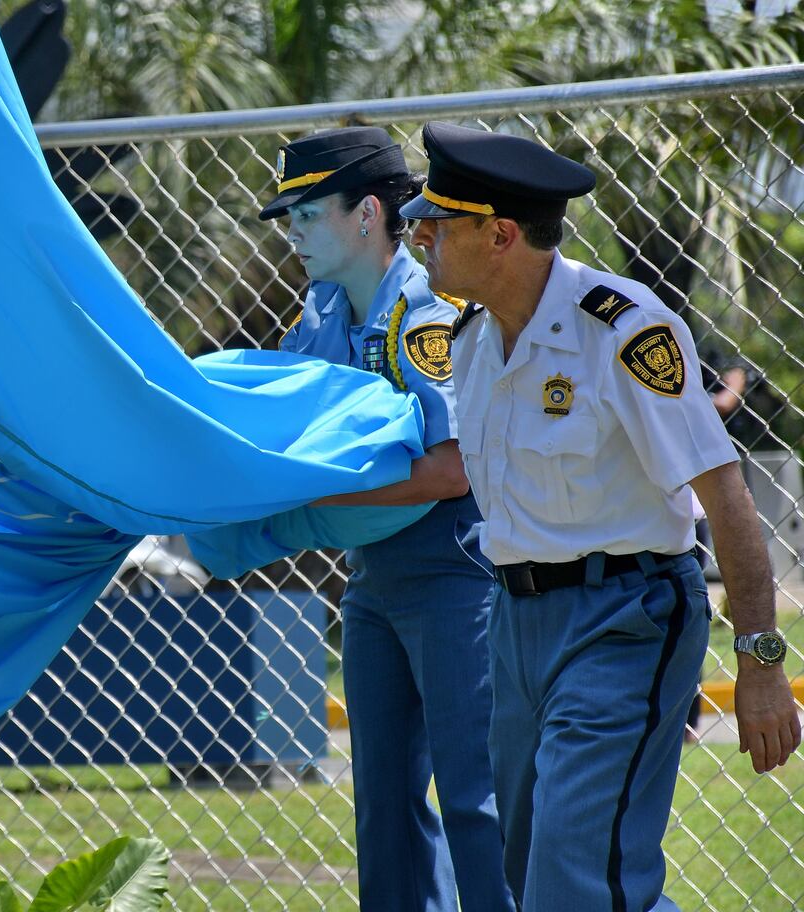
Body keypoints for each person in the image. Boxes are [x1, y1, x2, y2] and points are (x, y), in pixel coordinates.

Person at [402, 120, 801, 911]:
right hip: (514, 626)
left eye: (437, 224)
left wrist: (759, 661)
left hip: (625, 617)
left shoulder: (626, 330)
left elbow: (725, 495)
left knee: (572, 878)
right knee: (536, 874)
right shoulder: (474, 341)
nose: (419, 237)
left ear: (501, 235)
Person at [263, 126, 513, 912]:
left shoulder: (426, 316)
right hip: (371, 586)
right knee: (383, 808)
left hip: (454, 580)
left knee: (477, 799)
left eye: (307, 214)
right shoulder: (322, 313)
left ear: (368, 213)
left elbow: (452, 469)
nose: (294, 233)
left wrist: (314, 500)